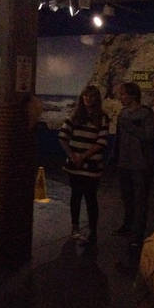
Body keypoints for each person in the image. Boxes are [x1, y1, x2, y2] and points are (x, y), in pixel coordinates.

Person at [58, 86, 110, 245]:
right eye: (86, 95)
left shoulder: (102, 117)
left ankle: (92, 230)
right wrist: (73, 156)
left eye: (92, 96)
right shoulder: (74, 116)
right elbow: (63, 136)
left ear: (97, 98)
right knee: (75, 196)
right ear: (82, 97)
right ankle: (75, 228)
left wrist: (83, 157)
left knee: (90, 198)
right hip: (75, 164)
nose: (88, 98)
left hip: (91, 165)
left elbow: (101, 142)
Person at [112, 82, 154, 244]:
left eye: (123, 94)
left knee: (140, 200)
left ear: (133, 96)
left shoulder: (146, 114)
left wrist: (131, 127)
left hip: (140, 164)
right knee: (127, 197)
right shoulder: (123, 113)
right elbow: (118, 138)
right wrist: (114, 157)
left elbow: (150, 136)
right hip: (124, 162)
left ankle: (137, 234)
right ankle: (127, 225)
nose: (120, 98)